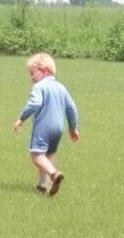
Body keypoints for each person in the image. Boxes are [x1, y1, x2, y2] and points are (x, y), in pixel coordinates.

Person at [12, 53, 79, 196]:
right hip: (58, 129)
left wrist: (21, 118)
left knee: (37, 155)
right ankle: (42, 185)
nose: (31, 77)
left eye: (32, 73)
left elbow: (34, 104)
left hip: (44, 127)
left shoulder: (39, 87)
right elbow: (72, 108)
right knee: (48, 155)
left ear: (43, 70)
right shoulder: (61, 87)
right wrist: (73, 128)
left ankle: (54, 174)